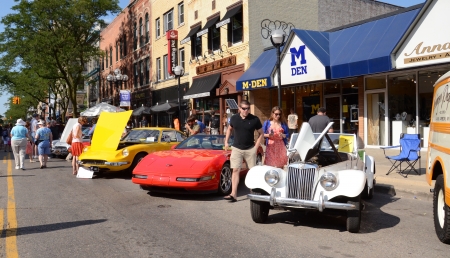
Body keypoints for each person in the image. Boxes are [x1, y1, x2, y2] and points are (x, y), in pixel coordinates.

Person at [224, 100, 264, 202]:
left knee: (252, 171)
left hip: (250, 148)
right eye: (244, 109)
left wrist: (256, 147)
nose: (246, 111)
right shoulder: (234, 118)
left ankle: (253, 194)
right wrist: (226, 142)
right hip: (237, 148)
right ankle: (233, 194)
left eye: (247, 109)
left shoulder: (254, 119)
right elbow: (229, 129)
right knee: (235, 170)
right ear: (239, 109)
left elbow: (261, 133)